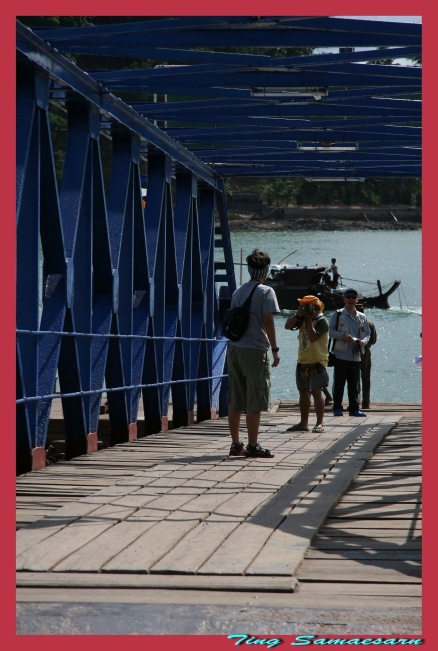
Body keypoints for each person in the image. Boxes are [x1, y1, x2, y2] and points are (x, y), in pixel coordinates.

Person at [227, 249, 281, 458]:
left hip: (234, 349)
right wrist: (275, 350)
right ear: (266, 270)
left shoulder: (238, 292)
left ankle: (235, 444)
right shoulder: (267, 292)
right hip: (255, 350)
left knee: (235, 398)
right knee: (254, 398)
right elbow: (268, 321)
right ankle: (252, 445)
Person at [284, 295, 329, 433]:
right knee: (303, 393)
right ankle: (304, 423)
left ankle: (319, 423)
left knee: (316, 392)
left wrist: (309, 319)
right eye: (303, 306)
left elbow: (313, 337)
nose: (306, 309)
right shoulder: (302, 319)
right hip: (302, 361)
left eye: (308, 307)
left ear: (316, 308)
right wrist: (298, 315)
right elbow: (287, 326)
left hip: (317, 361)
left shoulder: (322, 321)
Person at [329, 288, 371, 417]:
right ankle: (337, 408)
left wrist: (362, 342)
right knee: (339, 383)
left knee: (354, 384)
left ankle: (354, 408)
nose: (351, 299)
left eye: (353, 297)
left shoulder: (362, 317)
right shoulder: (337, 314)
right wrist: (343, 336)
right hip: (340, 354)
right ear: (344, 299)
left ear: (357, 299)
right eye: (348, 297)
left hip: (356, 355)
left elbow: (367, 335)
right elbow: (329, 331)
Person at [356, 304, 377, 409]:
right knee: (366, 377)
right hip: (366, 352)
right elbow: (373, 340)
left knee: (355, 378)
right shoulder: (370, 324)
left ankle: (356, 400)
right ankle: (366, 402)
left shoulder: (352, 324)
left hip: (353, 352)